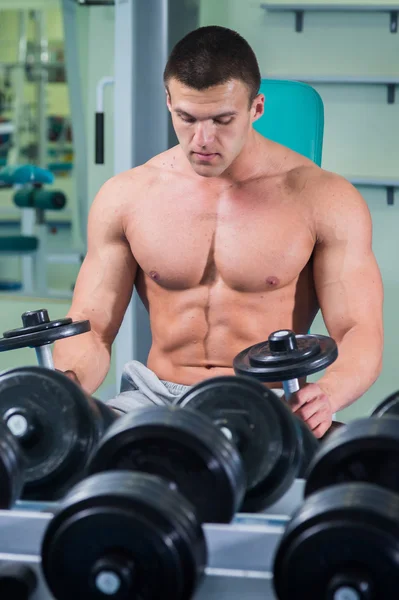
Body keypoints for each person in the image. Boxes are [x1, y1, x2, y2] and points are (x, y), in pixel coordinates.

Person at [53, 25, 383, 438]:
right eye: (186, 119)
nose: (203, 140)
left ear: (256, 108)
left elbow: (359, 330)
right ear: (169, 101)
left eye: (222, 120)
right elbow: (92, 326)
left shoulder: (324, 198)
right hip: (154, 400)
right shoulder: (127, 196)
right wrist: (67, 380)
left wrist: (327, 394)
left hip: (270, 404)